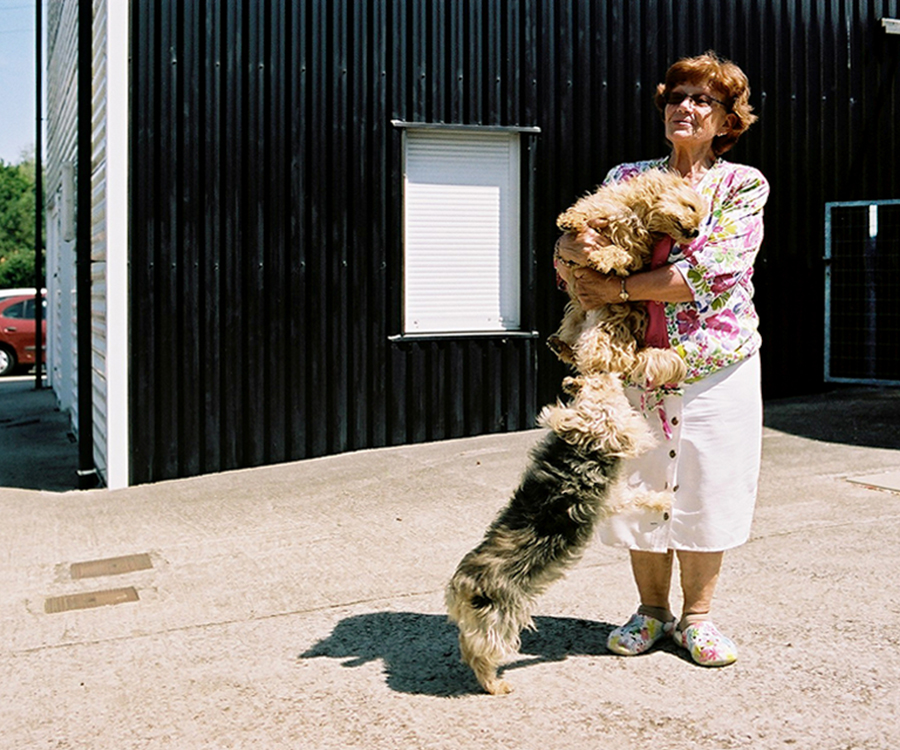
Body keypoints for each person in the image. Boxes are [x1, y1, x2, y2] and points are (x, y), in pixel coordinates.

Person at [554, 51, 769, 667]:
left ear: (728, 120)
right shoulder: (627, 175)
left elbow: (714, 270)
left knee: (709, 482)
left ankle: (697, 618)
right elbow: (583, 245)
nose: (687, 107)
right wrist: (572, 251)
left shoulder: (742, 184)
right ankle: (651, 612)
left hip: (713, 361)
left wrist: (618, 289)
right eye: (678, 96)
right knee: (641, 484)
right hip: (633, 359)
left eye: (704, 100)